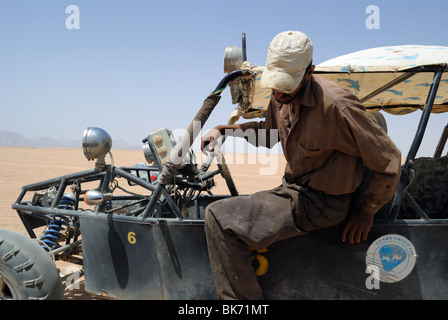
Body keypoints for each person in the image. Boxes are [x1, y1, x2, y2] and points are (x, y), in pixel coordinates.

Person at [201, 31, 401, 300]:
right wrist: (225, 131)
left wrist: (367, 211)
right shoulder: (279, 96)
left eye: (287, 84)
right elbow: (269, 133)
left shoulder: (337, 106)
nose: (279, 91)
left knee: (218, 217)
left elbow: (388, 161)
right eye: (276, 83)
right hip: (295, 191)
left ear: (309, 72)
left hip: (323, 202)